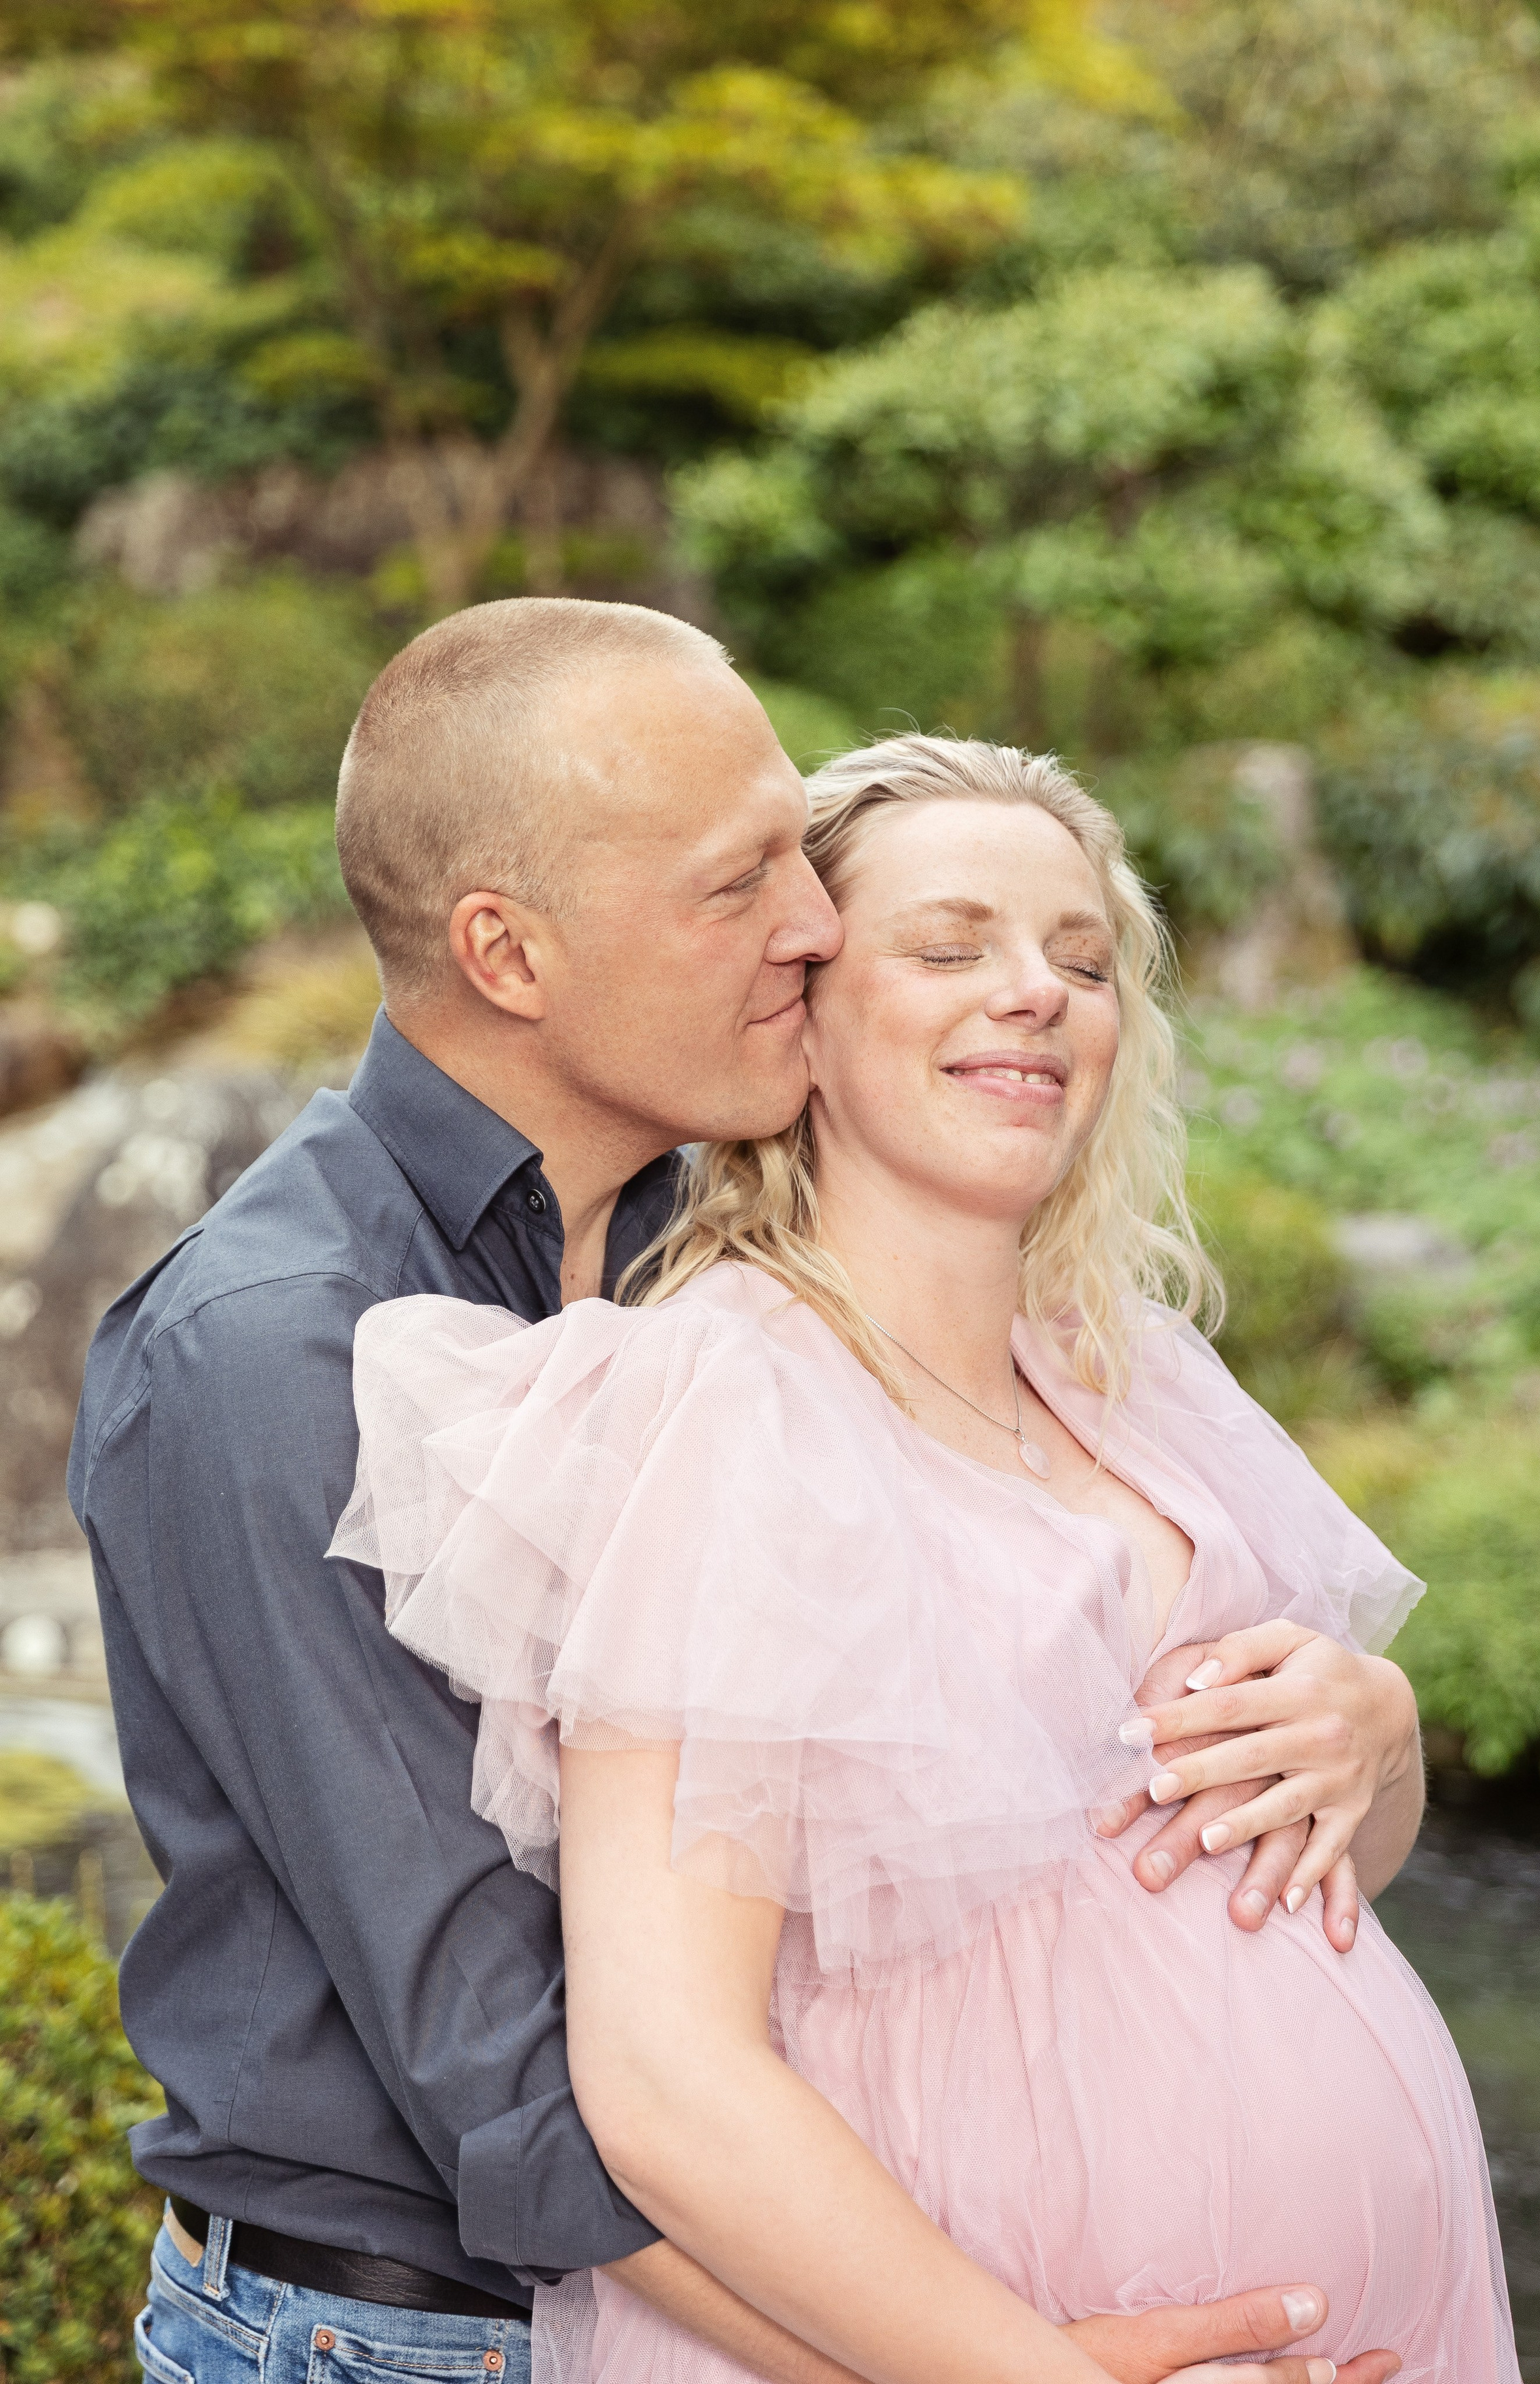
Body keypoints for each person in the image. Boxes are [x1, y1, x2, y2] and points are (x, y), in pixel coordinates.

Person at [73, 599, 1406, 2384]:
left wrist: (1360, 1729)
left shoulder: (753, 1235)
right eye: (738, 884)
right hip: (401, 2337)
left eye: (801, 845)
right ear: (509, 953)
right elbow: (509, 2068)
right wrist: (1005, 2368)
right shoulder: (274, 1354)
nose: (814, 920)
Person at [332, 731, 1520, 2384]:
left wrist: (1372, 1735)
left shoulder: (1135, 1372)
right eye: (949, 946)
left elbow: (1263, 1877)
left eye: (1080, 955)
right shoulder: (725, 1405)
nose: (1032, 989)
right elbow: (667, 2076)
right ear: (798, 1006)